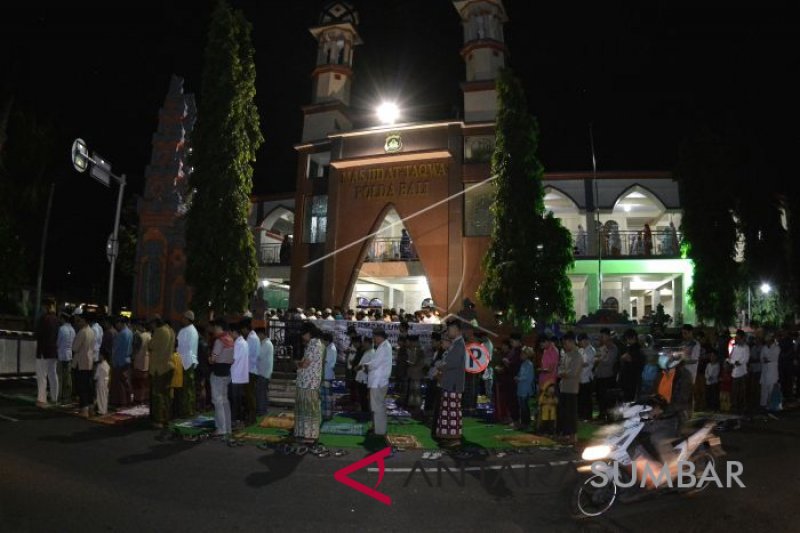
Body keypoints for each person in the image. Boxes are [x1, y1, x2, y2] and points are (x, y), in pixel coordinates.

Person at [436, 320, 466, 446]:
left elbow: (453, 363)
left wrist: (443, 366)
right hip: (450, 382)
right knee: (448, 411)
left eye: (450, 329)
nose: (448, 332)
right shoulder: (456, 343)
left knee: (452, 412)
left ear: (456, 329)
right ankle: (448, 436)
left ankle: (454, 439)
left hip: (454, 383)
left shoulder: (459, 344)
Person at [294, 322, 325, 444]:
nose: (302, 337)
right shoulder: (317, 343)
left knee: (308, 409)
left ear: (308, 333)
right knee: (307, 408)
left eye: (303, 334)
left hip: (308, 383)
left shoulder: (313, 344)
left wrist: (297, 364)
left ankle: (309, 436)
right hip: (308, 382)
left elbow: (305, 363)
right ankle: (305, 433)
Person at [148, 315, 176, 429]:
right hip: (168, 365)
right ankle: (166, 418)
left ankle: (158, 420)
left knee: (157, 395)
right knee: (166, 395)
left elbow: (151, 346)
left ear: (155, 323)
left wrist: (151, 338)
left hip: (158, 368)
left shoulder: (159, 331)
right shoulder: (171, 330)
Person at [209, 319, 234, 439]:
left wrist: (209, 358)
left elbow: (213, 359)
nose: (213, 330)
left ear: (219, 327)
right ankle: (227, 427)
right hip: (227, 372)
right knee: (224, 400)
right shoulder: (230, 340)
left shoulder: (219, 341)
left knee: (217, 401)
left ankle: (221, 428)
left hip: (218, 373)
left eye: (215, 327)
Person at [365, 328, 392, 436]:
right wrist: (368, 364)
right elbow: (376, 361)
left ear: (379, 336)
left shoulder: (384, 347)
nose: (374, 339)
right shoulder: (384, 346)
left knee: (377, 407)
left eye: (375, 337)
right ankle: (378, 429)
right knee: (378, 406)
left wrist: (367, 366)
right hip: (380, 381)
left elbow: (375, 364)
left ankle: (379, 431)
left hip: (378, 381)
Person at [557, 333, 582, 444]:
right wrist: (563, 373)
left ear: (572, 342)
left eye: (566, 343)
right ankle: (566, 434)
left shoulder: (577, 356)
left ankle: (573, 435)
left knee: (571, 413)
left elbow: (573, 373)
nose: (564, 346)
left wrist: (563, 373)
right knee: (564, 413)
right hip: (563, 387)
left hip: (572, 388)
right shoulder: (566, 355)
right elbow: (560, 369)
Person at [71, 310, 97, 417]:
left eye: (80, 320)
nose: (78, 322)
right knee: (88, 386)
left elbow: (74, 347)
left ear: (84, 321)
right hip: (89, 361)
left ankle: (84, 409)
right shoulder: (92, 331)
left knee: (81, 386)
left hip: (81, 362)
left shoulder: (82, 332)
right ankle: (91, 408)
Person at [35, 298, 60, 407]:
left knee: (42, 375)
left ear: (46, 306)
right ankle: (54, 398)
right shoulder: (57, 319)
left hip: (43, 350)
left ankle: (42, 399)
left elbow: (38, 334)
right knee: (53, 374)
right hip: (53, 351)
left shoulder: (44, 318)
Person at [176, 310, 199, 418]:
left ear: (187, 319)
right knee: (189, 388)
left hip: (185, 362)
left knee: (185, 389)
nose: (181, 320)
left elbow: (180, 347)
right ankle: (189, 411)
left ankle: (186, 412)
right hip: (190, 361)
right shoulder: (193, 330)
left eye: (183, 318)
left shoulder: (185, 331)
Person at [594, 328, 619, 420]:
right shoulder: (600, 347)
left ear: (608, 336)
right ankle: (601, 414)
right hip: (599, 375)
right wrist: (599, 358)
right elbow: (595, 360)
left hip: (608, 376)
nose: (601, 338)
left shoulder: (613, 348)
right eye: (600, 336)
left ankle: (610, 416)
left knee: (608, 398)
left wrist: (600, 358)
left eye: (603, 336)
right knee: (600, 397)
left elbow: (608, 361)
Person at [110, 316, 133, 408]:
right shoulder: (130, 332)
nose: (116, 326)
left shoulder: (121, 334)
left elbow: (115, 349)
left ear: (121, 323)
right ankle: (127, 401)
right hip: (127, 359)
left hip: (119, 360)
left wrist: (113, 360)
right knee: (125, 381)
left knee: (119, 383)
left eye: (117, 324)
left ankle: (121, 402)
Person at [230, 323, 250, 429]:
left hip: (236, 375)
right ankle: (240, 419)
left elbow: (233, 358)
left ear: (234, 332)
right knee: (239, 399)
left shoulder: (238, 343)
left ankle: (235, 420)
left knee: (235, 399)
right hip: (241, 374)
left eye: (230, 333)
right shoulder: (244, 342)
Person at [242, 318, 259, 424]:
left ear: (245, 328)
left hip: (250, 369)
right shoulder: (252, 337)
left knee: (249, 395)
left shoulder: (251, 338)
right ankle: (251, 416)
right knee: (250, 394)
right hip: (251, 368)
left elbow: (245, 354)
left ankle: (252, 417)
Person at [619, 329, 644, 402]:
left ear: (633, 338)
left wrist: (627, 359)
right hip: (629, 380)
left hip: (632, 381)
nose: (627, 341)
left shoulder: (636, 350)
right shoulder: (631, 349)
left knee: (630, 401)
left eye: (628, 338)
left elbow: (635, 365)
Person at [729, 329, 750, 417]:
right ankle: (735, 408)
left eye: (738, 338)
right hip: (735, 373)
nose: (736, 339)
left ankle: (743, 409)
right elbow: (731, 358)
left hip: (742, 373)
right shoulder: (735, 347)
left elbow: (746, 359)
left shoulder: (746, 347)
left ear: (742, 338)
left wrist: (739, 362)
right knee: (734, 392)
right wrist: (734, 362)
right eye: (736, 338)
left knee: (742, 392)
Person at [56, 312, 75, 404]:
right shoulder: (73, 329)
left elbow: (58, 342)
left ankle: (58, 395)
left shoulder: (62, 329)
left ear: (63, 319)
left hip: (61, 355)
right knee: (68, 377)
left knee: (59, 376)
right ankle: (67, 395)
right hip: (69, 355)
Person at [255, 327, 274, 417]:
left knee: (261, 393)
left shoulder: (266, 344)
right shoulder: (265, 343)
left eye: (257, 335)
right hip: (264, 372)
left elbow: (259, 356)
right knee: (262, 393)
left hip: (263, 373)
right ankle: (263, 410)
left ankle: (261, 411)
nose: (257, 337)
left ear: (262, 334)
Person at [515, 347, 535, 430]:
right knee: (522, 407)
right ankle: (523, 422)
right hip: (520, 388)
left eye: (523, 354)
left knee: (525, 407)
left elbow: (528, 377)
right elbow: (520, 374)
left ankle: (526, 423)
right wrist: (517, 377)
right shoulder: (523, 364)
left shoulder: (529, 364)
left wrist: (519, 378)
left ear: (527, 355)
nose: (521, 355)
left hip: (525, 388)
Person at [131, 321, 151, 404]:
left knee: (138, 381)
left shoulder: (140, 336)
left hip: (139, 359)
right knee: (145, 381)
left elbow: (136, 349)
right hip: (147, 359)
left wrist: (133, 357)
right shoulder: (150, 336)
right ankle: (144, 397)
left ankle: (138, 398)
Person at [760, 332, 780, 410]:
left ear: (771, 340)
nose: (767, 342)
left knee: (771, 390)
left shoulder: (776, 348)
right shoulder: (764, 348)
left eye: (768, 340)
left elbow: (773, 358)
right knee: (764, 390)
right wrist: (765, 359)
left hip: (773, 372)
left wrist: (766, 359)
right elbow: (761, 358)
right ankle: (763, 405)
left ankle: (771, 406)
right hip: (765, 371)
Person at [577, 333, 595, 420]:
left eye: (581, 341)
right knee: (581, 399)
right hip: (579, 378)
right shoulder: (580, 350)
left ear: (586, 340)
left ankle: (588, 416)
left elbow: (585, 363)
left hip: (587, 378)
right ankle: (582, 415)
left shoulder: (591, 350)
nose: (580, 343)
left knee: (587, 399)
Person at [405, 335, 425, 412]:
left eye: (411, 342)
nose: (410, 343)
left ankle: (417, 406)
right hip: (413, 373)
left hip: (417, 373)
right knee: (413, 390)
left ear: (414, 342)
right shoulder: (414, 349)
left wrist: (411, 364)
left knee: (416, 391)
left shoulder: (419, 350)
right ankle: (413, 405)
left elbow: (419, 362)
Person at [321, 331, 337, 421]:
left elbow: (325, 362)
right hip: (326, 375)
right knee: (325, 397)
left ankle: (328, 416)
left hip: (328, 376)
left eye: (323, 340)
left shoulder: (331, 349)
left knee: (327, 398)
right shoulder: (328, 348)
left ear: (327, 340)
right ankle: (326, 415)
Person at [355, 336, 374, 413]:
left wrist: (362, 368)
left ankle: (365, 414)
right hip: (360, 378)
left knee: (365, 398)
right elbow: (362, 364)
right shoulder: (366, 352)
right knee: (362, 398)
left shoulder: (372, 353)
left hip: (365, 379)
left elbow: (370, 369)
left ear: (368, 343)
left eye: (364, 343)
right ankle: (364, 412)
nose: (363, 344)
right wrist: (358, 367)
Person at [95, 351, 111, 416]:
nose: (98, 357)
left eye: (99, 355)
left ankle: (101, 410)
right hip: (106, 382)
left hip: (100, 381)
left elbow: (96, 375)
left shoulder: (100, 365)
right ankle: (104, 409)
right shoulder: (107, 365)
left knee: (100, 396)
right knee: (105, 396)